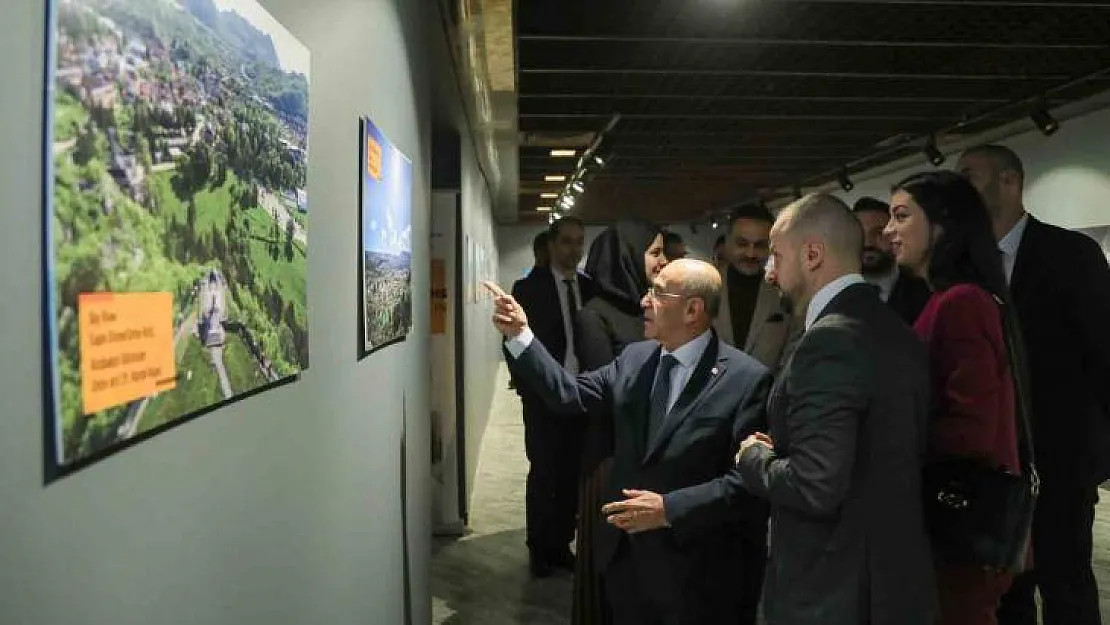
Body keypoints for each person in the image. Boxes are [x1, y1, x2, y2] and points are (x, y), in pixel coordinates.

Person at [485, 258, 773, 625]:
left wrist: (670, 508)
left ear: (692, 309)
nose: (643, 301)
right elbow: (569, 394)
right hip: (626, 561)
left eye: (657, 292)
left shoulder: (748, 380)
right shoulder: (635, 359)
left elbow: (748, 485)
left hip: (697, 571)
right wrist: (521, 334)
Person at [735, 193, 936, 625]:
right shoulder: (894, 329)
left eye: (776, 255)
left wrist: (755, 458)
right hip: (887, 583)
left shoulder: (830, 340)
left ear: (812, 255)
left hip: (833, 590)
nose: (771, 272)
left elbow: (814, 484)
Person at [956, 144, 1110, 625]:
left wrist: (1098, 456)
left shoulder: (1070, 254)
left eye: (971, 174)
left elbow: (1104, 352)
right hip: (993, 462)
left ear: (1009, 181)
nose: (961, 185)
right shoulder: (962, 264)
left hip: (1061, 460)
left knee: (1066, 584)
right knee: (1004, 590)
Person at [884, 170, 1026, 625]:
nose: (889, 231)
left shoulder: (961, 302)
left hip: (958, 519)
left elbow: (972, 428)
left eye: (901, 216)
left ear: (942, 224)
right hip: (958, 519)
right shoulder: (953, 298)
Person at [571, 220, 668, 625]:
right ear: (627, 256)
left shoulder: (653, 306)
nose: (663, 262)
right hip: (612, 455)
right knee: (613, 566)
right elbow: (605, 393)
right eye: (655, 253)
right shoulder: (595, 315)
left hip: (654, 451)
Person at [509, 216, 597, 577]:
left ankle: (561, 545)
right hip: (545, 399)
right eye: (567, 242)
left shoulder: (592, 288)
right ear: (551, 245)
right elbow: (512, 343)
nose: (574, 249)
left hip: (585, 396)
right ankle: (539, 548)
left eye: (580, 242)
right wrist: (530, 388)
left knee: (573, 474)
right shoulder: (528, 289)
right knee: (544, 472)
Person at [713, 205, 800, 376]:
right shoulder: (704, 287)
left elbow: (790, 355)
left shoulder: (786, 293)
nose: (751, 254)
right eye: (742, 244)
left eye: (760, 245)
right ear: (727, 242)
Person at [852, 196, 930, 325]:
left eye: (878, 233)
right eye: (859, 234)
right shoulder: (834, 294)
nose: (868, 243)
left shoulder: (925, 291)